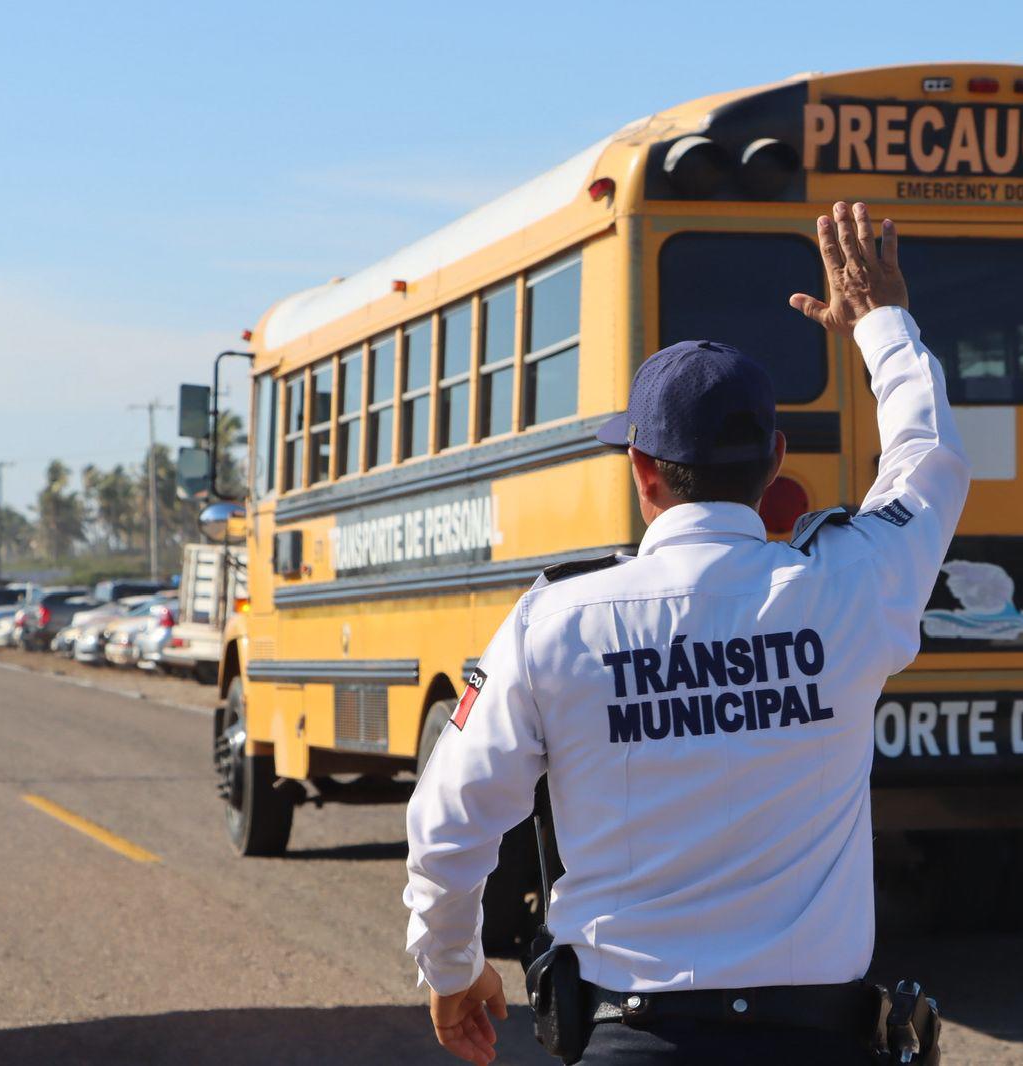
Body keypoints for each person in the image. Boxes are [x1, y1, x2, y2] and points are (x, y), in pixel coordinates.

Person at [403, 201, 969, 1064]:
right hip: (815, 1044)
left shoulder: (553, 621)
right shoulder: (850, 588)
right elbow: (929, 460)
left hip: (634, 1040)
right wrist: (880, 324)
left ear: (640, 468)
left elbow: (450, 821)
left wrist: (451, 967)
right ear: (775, 459)